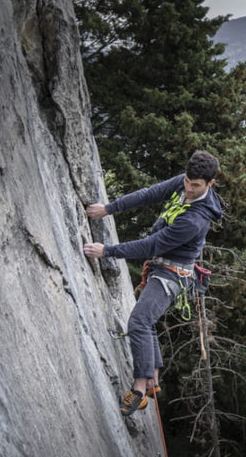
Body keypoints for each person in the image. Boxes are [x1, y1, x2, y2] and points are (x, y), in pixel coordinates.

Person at [82, 150, 222, 416]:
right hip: (162, 266)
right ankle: (153, 379)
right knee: (146, 319)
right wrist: (109, 209)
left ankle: (138, 392)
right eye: (187, 182)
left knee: (139, 321)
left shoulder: (196, 219)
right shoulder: (184, 182)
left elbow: (152, 244)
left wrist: (108, 251)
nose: (189, 189)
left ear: (210, 183)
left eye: (196, 186)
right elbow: (149, 193)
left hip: (173, 275)